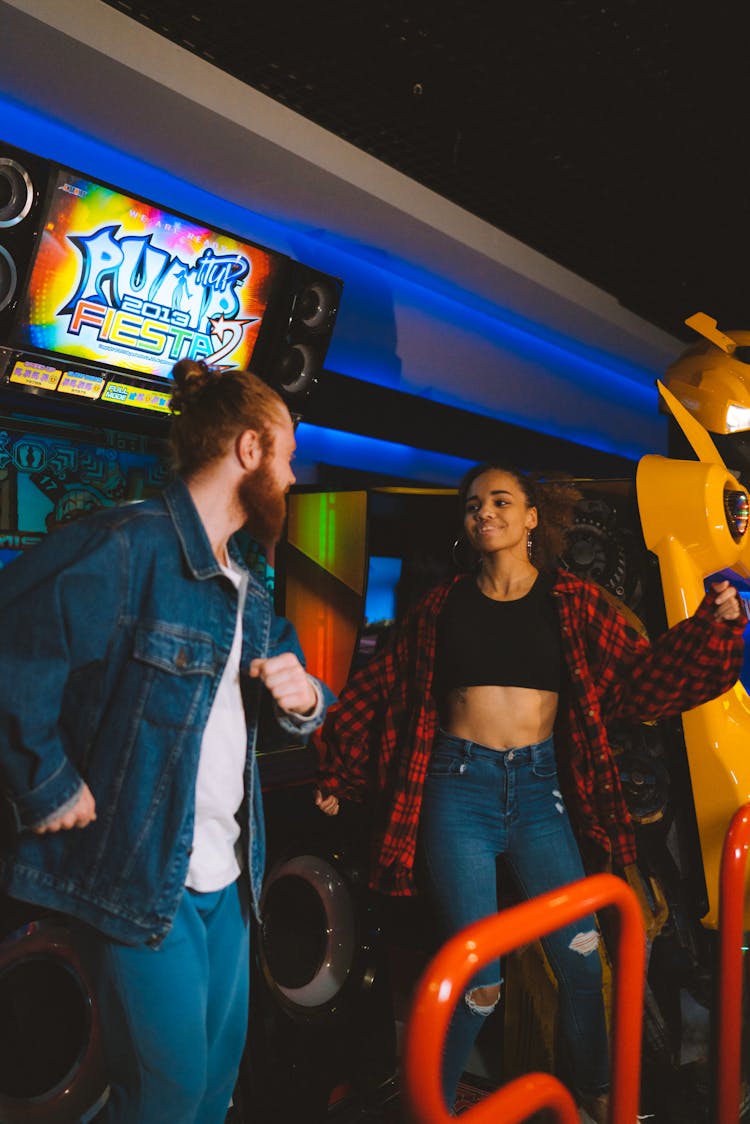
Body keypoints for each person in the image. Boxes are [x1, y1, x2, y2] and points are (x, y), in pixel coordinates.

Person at [313, 462, 745, 1123]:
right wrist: (337, 773)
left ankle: (602, 1100)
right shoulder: (440, 607)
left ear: (533, 517)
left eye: (501, 500)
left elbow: (639, 679)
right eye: (473, 504)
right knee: (478, 977)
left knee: (580, 955)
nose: (484, 511)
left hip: (541, 794)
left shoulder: (574, 603)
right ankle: (423, 1111)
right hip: (456, 794)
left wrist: (711, 631)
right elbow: (384, 694)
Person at [0, 358, 333, 1123]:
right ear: (249, 450)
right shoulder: (130, 544)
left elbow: (298, 686)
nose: (291, 476)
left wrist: (306, 693)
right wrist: (44, 780)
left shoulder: (244, 580)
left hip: (228, 877)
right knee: (167, 1099)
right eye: (285, 456)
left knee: (214, 1088)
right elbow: (13, 641)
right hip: (141, 878)